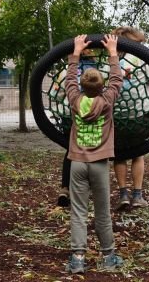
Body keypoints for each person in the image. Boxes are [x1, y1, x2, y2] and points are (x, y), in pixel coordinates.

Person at [64, 34, 123, 274]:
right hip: (99, 164)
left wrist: (76, 52)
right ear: (102, 87)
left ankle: (78, 258)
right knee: (102, 211)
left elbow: (69, 79)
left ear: (82, 86)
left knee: (78, 212)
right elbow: (117, 80)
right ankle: (108, 256)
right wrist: (112, 52)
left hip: (77, 163)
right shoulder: (107, 101)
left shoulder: (75, 100)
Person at [111, 26, 149, 210]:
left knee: (119, 156)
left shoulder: (110, 61)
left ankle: (123, 195)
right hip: (140, 117)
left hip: (117, 118)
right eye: (140, 43)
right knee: (137, 154)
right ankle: (137, 194)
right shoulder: (141, 60)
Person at [58, 49, 97, 207]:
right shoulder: (97, 69)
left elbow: (60, 91)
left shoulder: (66, 71)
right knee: (94, 151)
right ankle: (90, 189)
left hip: (70, 115)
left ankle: (65, 188)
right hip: (94, 114)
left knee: (71, 150)